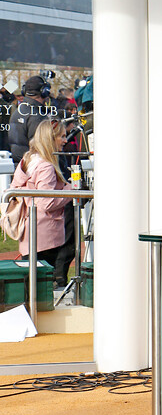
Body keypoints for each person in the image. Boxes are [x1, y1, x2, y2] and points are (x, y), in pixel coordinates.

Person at [10, 120, 74, 275]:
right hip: (45, 235)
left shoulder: (28, 159)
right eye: (62, 136)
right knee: (43, 286)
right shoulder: (46, 166)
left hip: (29, 232)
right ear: (50, 138)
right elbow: (47, 203)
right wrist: (70, 191)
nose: (66, 140)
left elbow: (17, 189)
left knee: (31, 284)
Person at [9, 75, 57, 165]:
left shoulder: (17, 111)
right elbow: (42, 148)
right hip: (35, 168)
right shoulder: (37, 116)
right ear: (44, 92)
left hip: (22, 167)